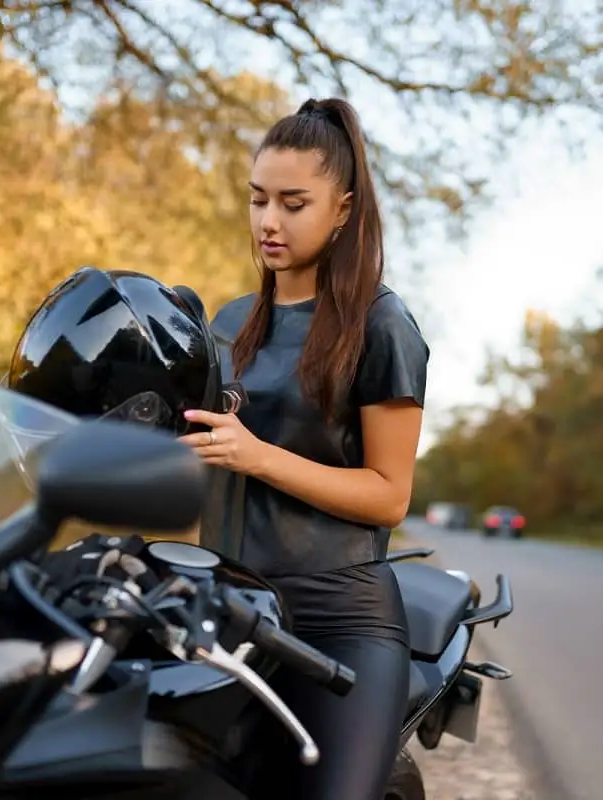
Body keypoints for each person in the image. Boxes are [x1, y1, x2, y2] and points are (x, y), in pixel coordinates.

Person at [182, 97, 430, 800]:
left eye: (294, 203)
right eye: (258, 199)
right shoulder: (228, 323)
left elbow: (389, 494)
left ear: (344, 210)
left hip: (340, 624)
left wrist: (257, 455)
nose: (269, 221)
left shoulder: (382, 326)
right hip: (223, 611)